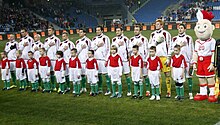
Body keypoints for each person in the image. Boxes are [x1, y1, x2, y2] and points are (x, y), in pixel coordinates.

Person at [149, 19, 172, 98]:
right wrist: (155, 43)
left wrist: (168, 57)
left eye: (158, 24)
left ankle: (168, 91)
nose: (157, 25)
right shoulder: (152, 34)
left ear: (162, 25)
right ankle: (159, 91)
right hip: (156, 57)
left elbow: (170, 45)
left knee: (167, 74)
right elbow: (150, 46)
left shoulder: (166, 34)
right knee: (157, 75)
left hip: (164, 57)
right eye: (156, 24)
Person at [172, 23, 194, 99]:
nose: (180, 29)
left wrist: (192, 61)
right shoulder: (174, 38)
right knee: (178, 77)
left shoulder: (188, 38)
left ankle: (190, 93)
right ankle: (179, 93)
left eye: (182, 28)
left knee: (189, 77)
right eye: (179, 28)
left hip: (187, 61)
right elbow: (173, 49)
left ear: (185, 29)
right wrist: (180, 45)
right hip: (178, 62)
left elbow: (192, 49)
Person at [129, 24, 149, 97]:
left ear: (140, 31)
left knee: (145, 75)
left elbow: (147, 50)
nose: (135, 31)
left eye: (137, 30)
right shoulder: (131, 39)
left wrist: (145, 60)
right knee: (136, 76)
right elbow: (129, 50)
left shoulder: (144, 39)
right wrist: (135, 45)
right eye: (134, 30)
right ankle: (137, 90)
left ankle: (147, 90)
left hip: (143, 60)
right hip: (135, 61)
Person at [111, 27, 132, 96]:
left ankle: (129, 90)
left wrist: (127, 54)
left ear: (122, 31)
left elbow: (130, 48)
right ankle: (118, 90)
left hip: (124, 60)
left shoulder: (126, 39)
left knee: (127, 75)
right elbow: (113, 48)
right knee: (117, 76)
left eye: (119, 31)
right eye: (116, 31)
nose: (117, 32)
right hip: (116, 61)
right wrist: (118, 45)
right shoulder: (114, 39)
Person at [91, 26, 110, 94]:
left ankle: (108, 89)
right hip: (96, 59)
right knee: (98, 74)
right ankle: (100, 88)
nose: (97, 31)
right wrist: (98, 46)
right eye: (96, 30)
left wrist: (106, 59)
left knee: (106, 74)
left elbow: (108, 49)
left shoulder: (106, 38)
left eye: (99, 30)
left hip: (103, 59)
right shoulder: (94, 39)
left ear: (102, 31)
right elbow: (92, 49)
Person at [44, 26, 61, 92]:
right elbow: (44, 48)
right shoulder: (46, 40)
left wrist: (58, 57)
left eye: (50, 30)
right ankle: (53, 86)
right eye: (48, 30)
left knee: (56, 72)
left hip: (54, 59)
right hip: (48, 59)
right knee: (50, 72)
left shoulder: (57, 39)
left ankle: (60, 86)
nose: (49, 32)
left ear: (53, 31)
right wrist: (49, 45)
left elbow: (59, 49)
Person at [75, 28, 91, 93]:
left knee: (88, 74)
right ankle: (83, 87)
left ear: (84, 33)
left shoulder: (88, 41)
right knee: (81, 74)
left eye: (81, 32)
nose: (79, 33)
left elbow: (91, 50)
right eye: (79, 32)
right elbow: (76, 52)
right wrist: (81, 48)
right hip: (80, 60)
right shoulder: (77, 41)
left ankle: (93, 87)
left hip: (86, 60)